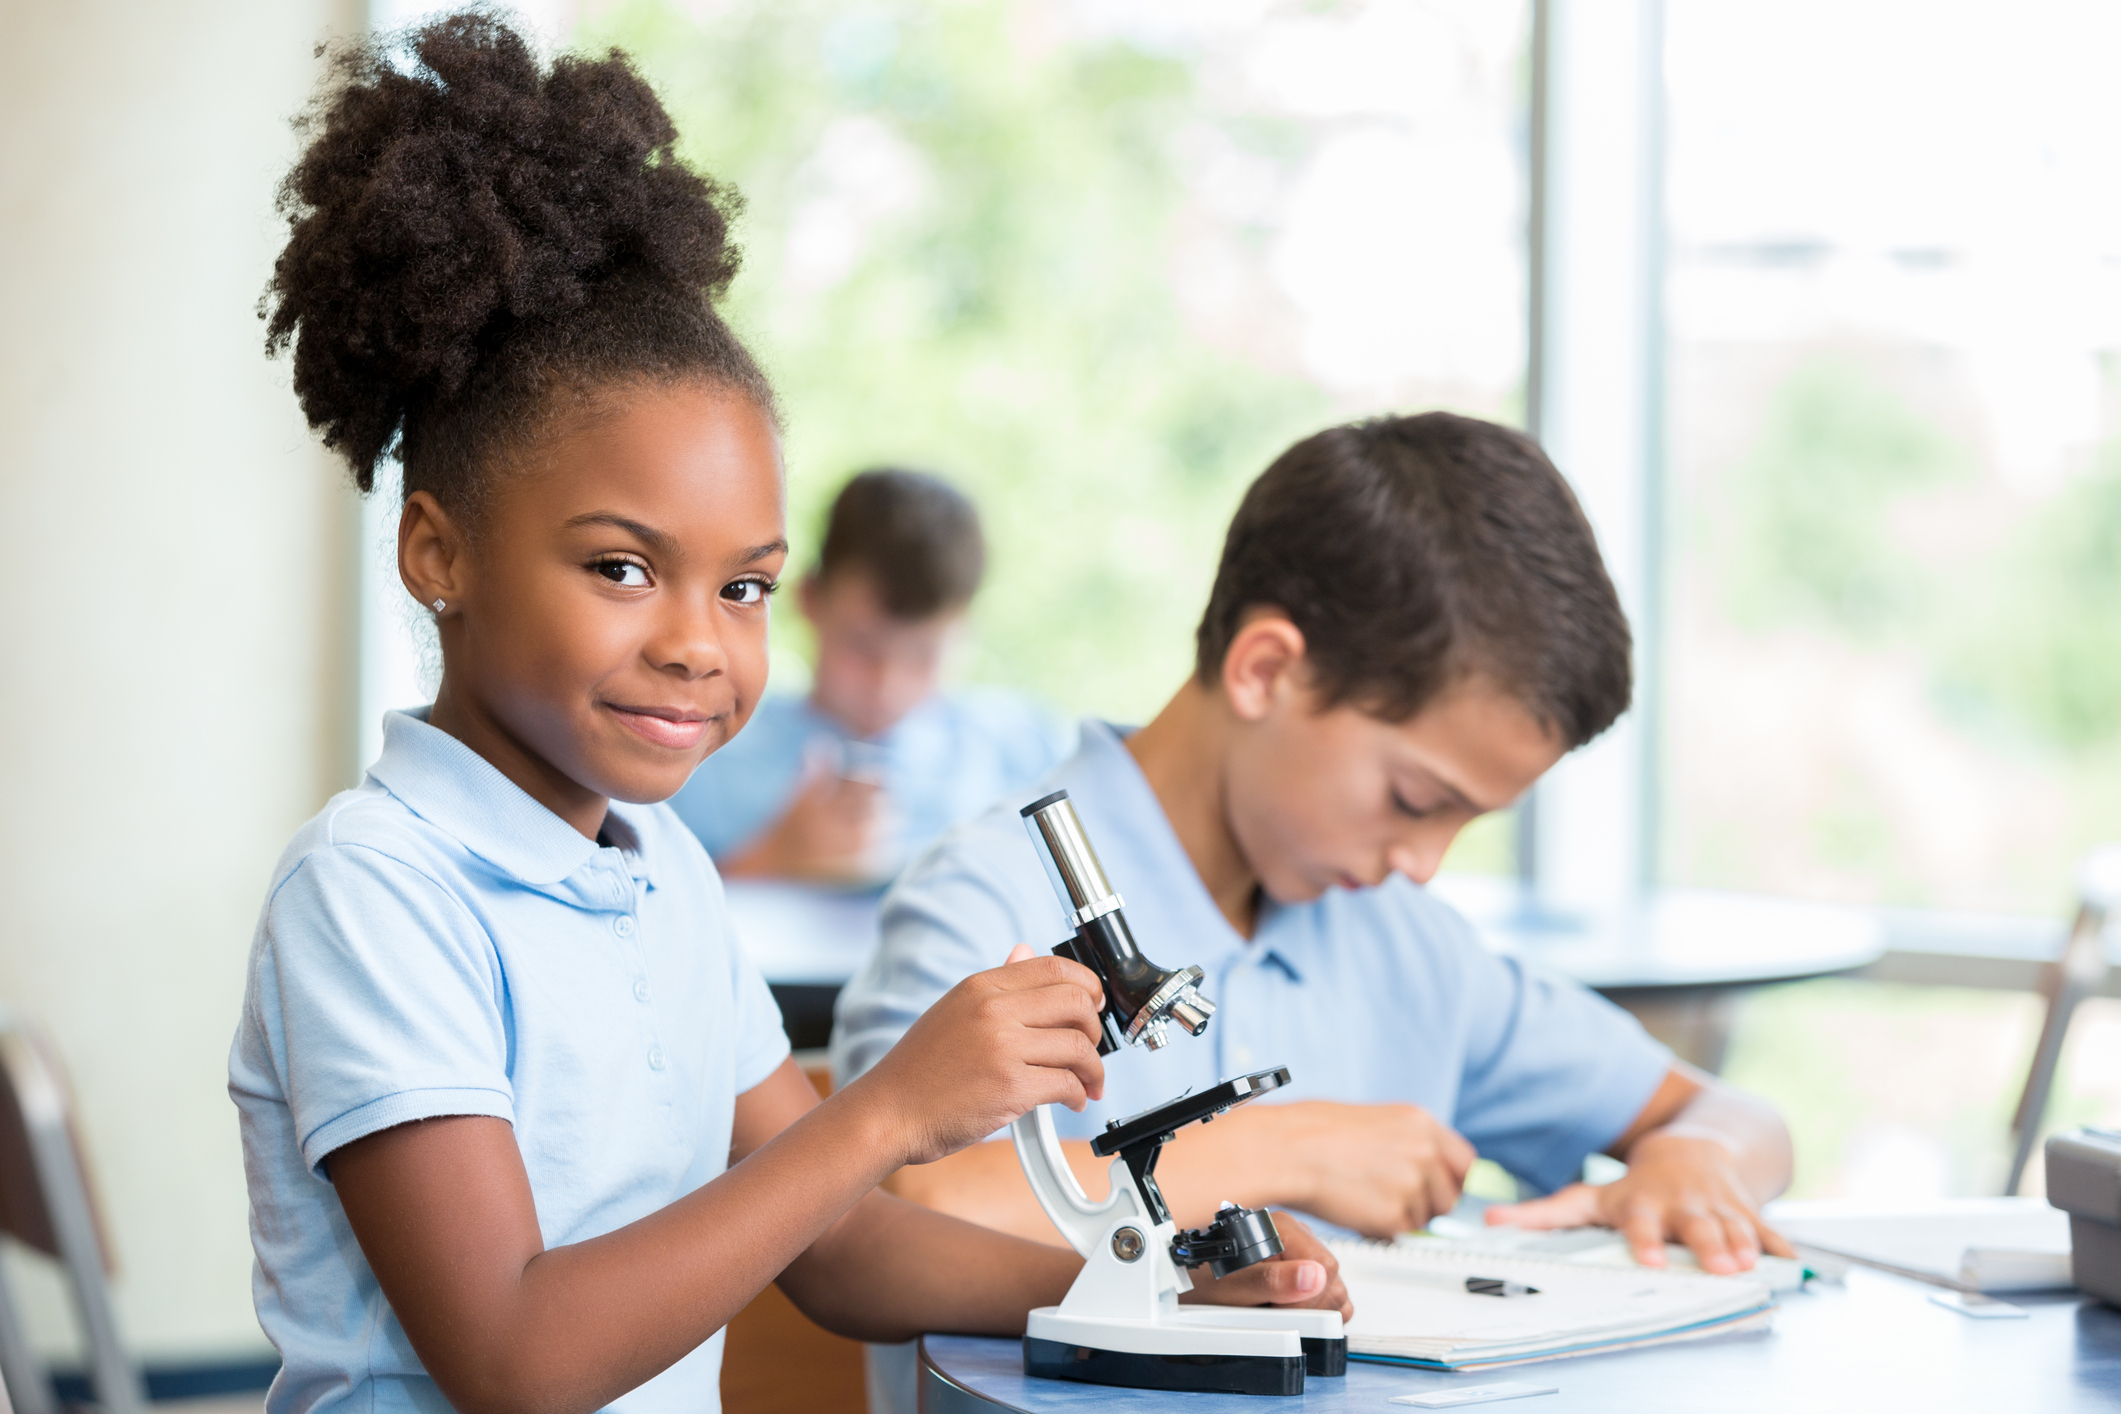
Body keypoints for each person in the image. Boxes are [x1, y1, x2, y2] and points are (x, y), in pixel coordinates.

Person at [224, 17, 1344, 1414]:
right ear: (436, 553)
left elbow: (836, 1243)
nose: (699, 644)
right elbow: (516, 1355)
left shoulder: (660, 872)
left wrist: (1154, 1284)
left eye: (746, 587)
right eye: (622, 567)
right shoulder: (375, 890)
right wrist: (888, 1110)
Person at [835, 411, 1797, 1276]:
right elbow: (894, 1224)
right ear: (1264, 670)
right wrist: (1281, 1150)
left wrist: (1693, 1162)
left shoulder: (1403, 946)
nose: (1422, 864)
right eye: (1415, 798)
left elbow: (1732, 1116)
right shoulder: (986, 898)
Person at [670, 468, 1072, 885]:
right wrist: (772, 857)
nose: (887, 686)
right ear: (810, 598)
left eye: (923, 655)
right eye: (862, 646)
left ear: (964, 630)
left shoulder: (1028, 753)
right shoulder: (708, 753)